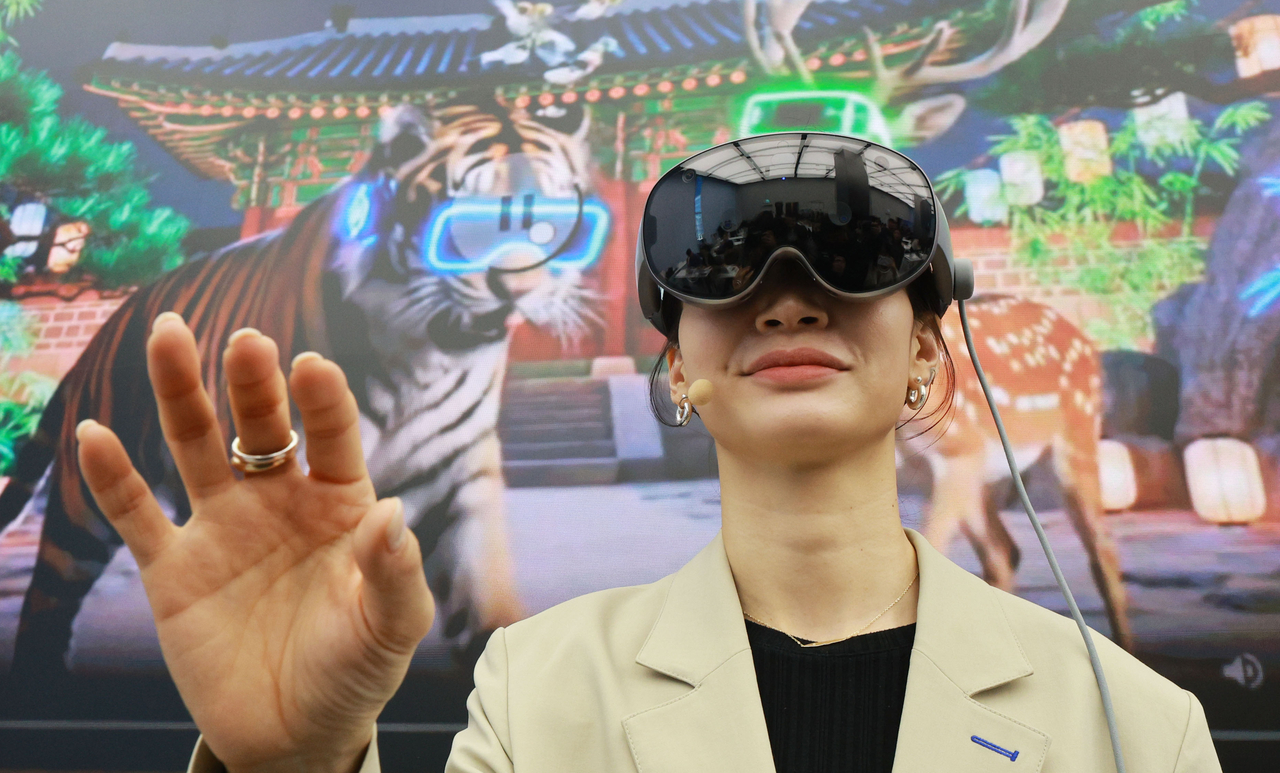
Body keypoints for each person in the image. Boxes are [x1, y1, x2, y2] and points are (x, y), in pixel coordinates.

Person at [71, 135, 1221, 773]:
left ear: (928, 353)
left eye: (850, 261)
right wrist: (294, 771)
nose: (786, 304)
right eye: (725, 274)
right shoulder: (538, 692)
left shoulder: (1132, 725)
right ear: (677, 368)